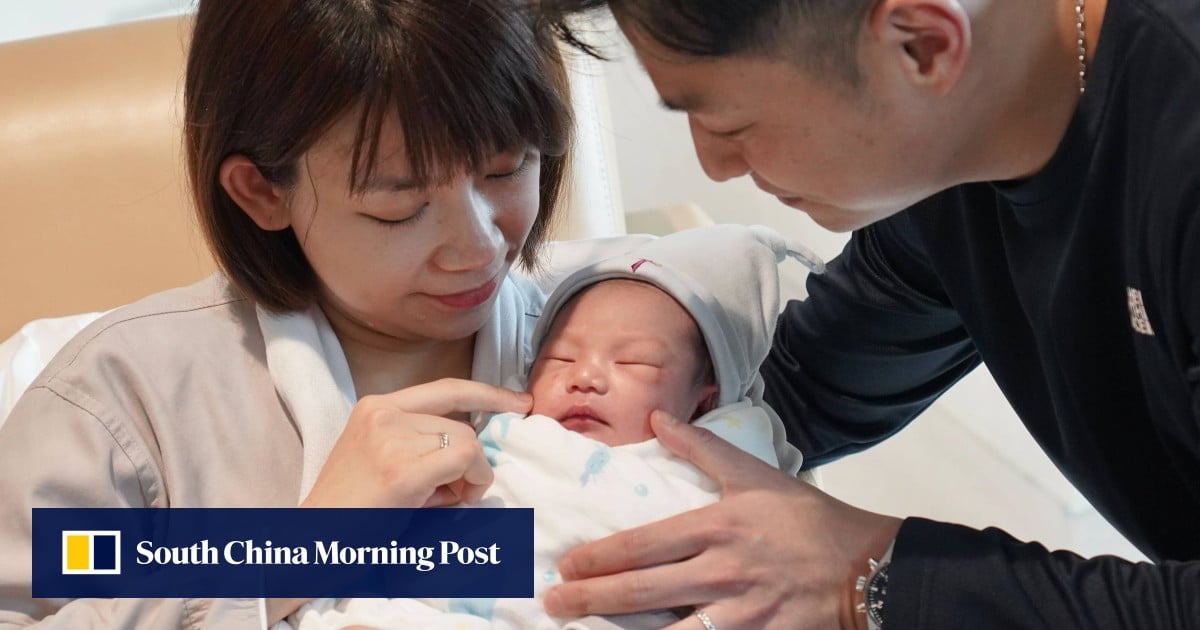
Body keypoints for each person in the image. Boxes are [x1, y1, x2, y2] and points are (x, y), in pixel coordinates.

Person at [531, 0, 1200, 629]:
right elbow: (788, 393)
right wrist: (456, 528)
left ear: (922, 47)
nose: (715, 165)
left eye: (730, 125)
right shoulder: (954, 164)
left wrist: (874, 577)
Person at [0, 0, 578, 627]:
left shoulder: (629, 336)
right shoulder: (131, 403)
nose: (479, 246)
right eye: (399, 207)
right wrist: (300, 550)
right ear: (263, 191)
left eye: (506, 169)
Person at [282, 223, 819, 630]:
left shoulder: (719, 476)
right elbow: (230, 578)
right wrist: (310, 543)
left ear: (706, 401)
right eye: (560, 359)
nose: (584, 377)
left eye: (633, 363)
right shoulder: (506, 436)